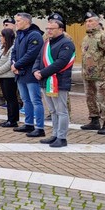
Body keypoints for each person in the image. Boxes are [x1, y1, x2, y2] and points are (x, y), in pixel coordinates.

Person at [33, 16, 76, 148]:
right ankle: (55, 134)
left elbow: (60, 63)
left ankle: (62, 137)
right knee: (52, 110)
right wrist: (35, 70)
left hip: (59, 81)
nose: (49, 31)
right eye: (48, 28)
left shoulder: (66, 43)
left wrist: (42, 73)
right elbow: (39, 58)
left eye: (52, 29)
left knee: (61, 110)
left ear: (61, 29)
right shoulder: (47, 43)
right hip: (45, 81)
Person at [80, 11, 105, 134]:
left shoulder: (103, 36)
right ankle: (94, 120)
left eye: (91, 21)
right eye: (86, 22)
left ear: (97, 22)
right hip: (88, 74)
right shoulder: (86, 38)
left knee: (103, 98)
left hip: (102, 74)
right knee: (90, 98)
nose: (88, 24)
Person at [11, 13, 46, 137]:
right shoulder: (20, 35)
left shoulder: (35, 35)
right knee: (26, 100)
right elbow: (14, 51)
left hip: (31, 73)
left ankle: (40, 127)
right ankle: (29, 124)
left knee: (35, 100)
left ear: (27, 22)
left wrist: (16, 65)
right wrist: (13, 63)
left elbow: (31, 54)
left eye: (18, 21)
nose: (16, 23)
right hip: (20, 73)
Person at [0, 28, 19, 127]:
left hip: (9, 77)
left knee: (11, 99)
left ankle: (13, 120)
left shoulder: (12, 48)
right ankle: (10, 118)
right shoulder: (3, 47)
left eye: (2, 36)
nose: (0, 38)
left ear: (6, 37)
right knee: (7, 98)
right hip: (2, 76)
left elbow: (9, 64)